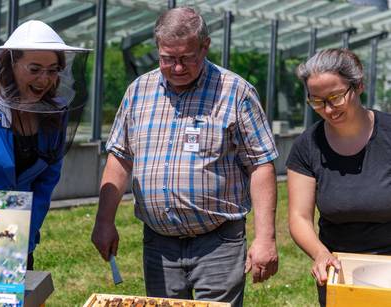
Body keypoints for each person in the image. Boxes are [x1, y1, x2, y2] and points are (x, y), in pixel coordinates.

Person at [91, 7, 279, 306]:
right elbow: (120, 158)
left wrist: (265, 237)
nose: (177, 68)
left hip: (218, 241)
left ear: (204, 47)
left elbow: (260, 164)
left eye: (187, 58)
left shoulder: (235, 92)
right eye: (168, 58)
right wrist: (103, 221)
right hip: (159, 242)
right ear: (157, 48)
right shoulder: (139, 91)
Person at [0, 20, 90, 270]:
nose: (45, 79)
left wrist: (23, 235)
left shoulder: (56, 111)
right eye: (35, 69)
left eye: (53, 70)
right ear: (10, 63)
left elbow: (46, 182)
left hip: (16, 237)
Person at [286, 48, 391, 306]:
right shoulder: (306, 146)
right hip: (339, 267)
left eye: (335, 97)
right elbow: (299, 217)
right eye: (317, 101)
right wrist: (321, 254)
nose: (328, 109)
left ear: (359, 86)